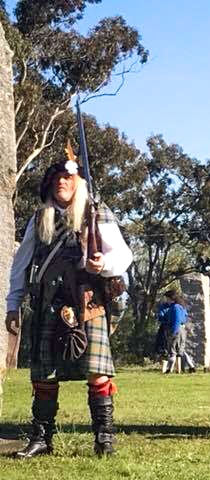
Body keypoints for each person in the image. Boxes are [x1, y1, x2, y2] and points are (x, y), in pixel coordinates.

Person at [5, 158, 133, 457]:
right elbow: (21, 265)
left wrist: (102, 265)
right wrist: (13, 303)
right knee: (43, 373)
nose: (61, 182)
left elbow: (123, 256)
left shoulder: (96, 212)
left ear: (78, 183)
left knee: (97, 372)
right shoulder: (39, 220)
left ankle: (104, 440)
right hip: (49, 303)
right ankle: (41, 439)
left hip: (89, 303)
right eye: (56, 178)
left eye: (67, 177)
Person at [159, 290, 196, 374]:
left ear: (171, 298)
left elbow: (177, 320)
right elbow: (185, 318)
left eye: (167, 298)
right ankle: (191, 367)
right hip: (182, 330)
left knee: (172, 350)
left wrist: (173, 331)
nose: (166, 300)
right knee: (181, 350)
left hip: (176, 329)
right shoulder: (181, 306)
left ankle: (169, 370)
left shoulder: (175, 307)